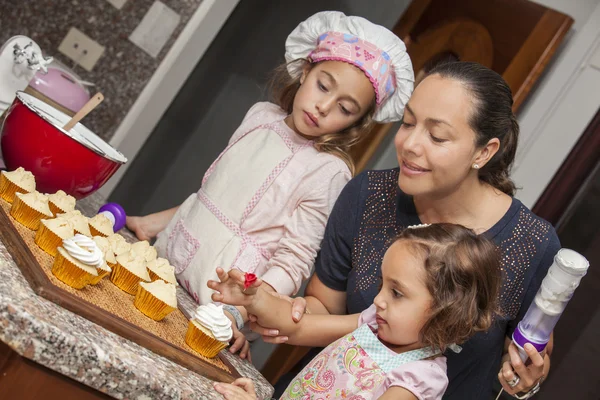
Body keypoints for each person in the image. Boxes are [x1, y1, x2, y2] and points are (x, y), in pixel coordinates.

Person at [252, 61, 560, 399]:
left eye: (437, 136)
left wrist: (524, 380)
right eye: (408, 122)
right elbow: (324, 310)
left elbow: (525, 354)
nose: (410, 144)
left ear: (484, 152)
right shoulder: (367, 196)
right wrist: (272, 309)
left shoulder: (533, 245)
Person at [126, 10, 414, 359]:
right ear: (305, 70)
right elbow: (212, 196)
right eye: (323, 85)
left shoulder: (329, 170)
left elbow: (294, 260)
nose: (323, 107)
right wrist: (151, 223)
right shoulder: (261, 116)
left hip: (216, 304)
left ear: (356, 122)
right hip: (164, 262)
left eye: (345, 108)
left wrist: (241, 309)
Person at [211, 223, 502, 399]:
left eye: (397, 293)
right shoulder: (373, 324)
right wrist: (254, 298)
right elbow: (298, 327)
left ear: (445, 312)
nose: (378, 300)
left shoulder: (418, 379)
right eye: (383, 285)